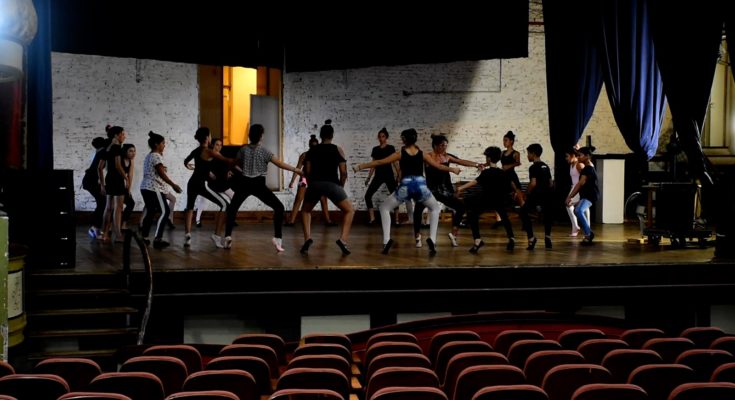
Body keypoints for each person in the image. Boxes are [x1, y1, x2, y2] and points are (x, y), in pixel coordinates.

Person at [354, 128, 460, 256]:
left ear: (404, 139)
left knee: (384, 208)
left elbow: (379, 162)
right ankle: (432, 239)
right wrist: (453, 169)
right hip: (421, 185)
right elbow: (438, 166)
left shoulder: (400, 153)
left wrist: (360, 166)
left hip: (406, 186)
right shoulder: (422, 154)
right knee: (435, 208)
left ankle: (386, 241)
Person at [224, 123, 303, 251]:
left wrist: (230, 170)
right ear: (261, 136)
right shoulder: (264, 151)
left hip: (244, 183)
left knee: (232, 208)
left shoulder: (243, 150)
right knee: (279, 207)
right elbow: (280, 164)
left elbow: (233, 163)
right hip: (258, 184)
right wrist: (296, 170)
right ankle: (278, 239)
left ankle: (227, 236)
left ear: (250, 136)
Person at [412, 134, 481, 248]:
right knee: (418, 209)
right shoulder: (428, 157)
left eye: (445, 145)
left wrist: (476, 164)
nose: (444, 148)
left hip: (444, 190)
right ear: (435, 146)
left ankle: (453, 234)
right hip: (430, 190)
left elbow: (461, 161)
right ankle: (417, 236)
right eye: (442, 145)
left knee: (461, 207)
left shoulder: (447, 157)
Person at [299, 120, 354, 255]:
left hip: (315, 184)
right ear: (332, 135)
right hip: (332, 184)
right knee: (350, 211)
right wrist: (340, 186)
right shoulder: (337, 149)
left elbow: (307, 170)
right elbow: (343, 172)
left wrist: (312, 184)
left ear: (321, 135)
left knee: (305, 211)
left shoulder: (312, 150)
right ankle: (343, 240)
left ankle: (307, 239)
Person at [456, 146, 520, 252]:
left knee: (472, 214)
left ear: (489, 159)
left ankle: (477, 240)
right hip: (500, 200)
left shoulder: (486, 173)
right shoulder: (502, 172)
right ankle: (511, 238)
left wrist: (460, 188)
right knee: (504, 217)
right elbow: (511, 184)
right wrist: (515, 192)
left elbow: (474, 182)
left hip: (487, 199)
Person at [183, 128, 234, 248]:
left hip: (192, 183)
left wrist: (191, 167)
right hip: (201, 184)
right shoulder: (209, 151)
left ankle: (187, 236)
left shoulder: (196, 150)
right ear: (207, 138)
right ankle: (216, 235)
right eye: (210, 135)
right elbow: (226, 159)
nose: (211, 137)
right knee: (225, 205)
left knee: (190, 207)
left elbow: (186, 161)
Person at [139, 131, 182, 249]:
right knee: (165, 212)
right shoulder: (156, 156)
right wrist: (173, 185)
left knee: (151, 212)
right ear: (157, 144)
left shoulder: (149, 155)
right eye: (163, 143)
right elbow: (161, 174)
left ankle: (144, 237)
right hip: (154, 188)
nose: (164, 145)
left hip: (145, 187)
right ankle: (158, 239)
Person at [285, 134, 334, 227]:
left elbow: (324, 169)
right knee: (299, 199)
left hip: (315, 180)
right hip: (305, 179)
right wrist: (292, 181)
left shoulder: (318, 155)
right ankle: (291, 221)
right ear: (310, 146)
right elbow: (298, 168)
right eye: (312, 146)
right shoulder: (305, 155)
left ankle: (328, 221)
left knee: (323, 199)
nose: (314, 148)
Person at [363, 127, 404, 226]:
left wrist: (399, 175)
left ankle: (397, 220)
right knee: (367, 195)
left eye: (383, 136)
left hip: (389, 175)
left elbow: (395, 163)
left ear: (386, 137)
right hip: (378, 176)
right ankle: (372, 219)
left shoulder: (390, 148)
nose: (381, 138)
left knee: (395, 196)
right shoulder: (375, 149)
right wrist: (368, 178)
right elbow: (373, 164)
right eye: (379, 136)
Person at [519, 143, 554, 250]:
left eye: (528, 153)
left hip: (536, 195)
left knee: (523, 212)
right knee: (547, 215)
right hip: (547, 195)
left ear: (533, 154)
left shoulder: (533, 167)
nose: (527, 156)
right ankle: (547, 237)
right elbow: (551, 183)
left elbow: (533, 183)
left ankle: (531, 238)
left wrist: (526, 193)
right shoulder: (546, 166)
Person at [194, 138, 235, 227]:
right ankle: (197, 220)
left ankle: (230, 218)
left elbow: (225, 166)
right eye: (217, 144)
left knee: (234, 197)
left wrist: (228, 171)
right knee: (202, 199)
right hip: (211, 183)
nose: (219, 147)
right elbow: (202, 166)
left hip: (222, 182)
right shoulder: (209, 154)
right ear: (212, 145)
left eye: (220, 145)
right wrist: (209, 172)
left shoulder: (221, 155)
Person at [98, 125, 128, 243]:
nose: (124, 136)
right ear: (117, 135)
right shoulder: (116, 147)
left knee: (108, 207)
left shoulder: (108, 147)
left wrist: (102, 184)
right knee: (118, 208)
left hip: (109, 179)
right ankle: (119, 235)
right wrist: (126, 178)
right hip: (117, 179)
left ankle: (104, 234)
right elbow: (118, 165)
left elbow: (100, 168)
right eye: (123, 134)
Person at [566, 146, 599, 245]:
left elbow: (580, 184)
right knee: (577, 209)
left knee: (578, 210)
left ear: (587, 156)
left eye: (580, 155)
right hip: (586, 195)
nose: (578, 157)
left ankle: (588, 233)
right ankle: (587, 233)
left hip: (590, 195)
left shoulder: (588, 169)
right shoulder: (588, 167)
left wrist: (570, 196)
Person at [82, 136, 109, 239]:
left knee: (102, 202)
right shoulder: (102, 152)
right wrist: (102, 185)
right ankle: (94, 227)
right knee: (102, 202)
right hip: (91, 182)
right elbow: (99, 169)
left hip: (90, 181)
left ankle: (95, 226)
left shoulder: (100, 152)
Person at [494, 130, 522, 228]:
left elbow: (518, 163)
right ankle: (498, 220)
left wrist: (508, 166)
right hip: (503, 177)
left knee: (520, 198)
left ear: (511, 141)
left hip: (512, 176)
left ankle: (524, 220)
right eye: (503, 140)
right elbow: (494, 160)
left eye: (506, 140)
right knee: (497, 197)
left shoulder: (516, 153)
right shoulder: (502, 153)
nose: (504, 142)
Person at [565, 147, 589, 237]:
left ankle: (583, 227)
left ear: (573, 156)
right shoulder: (572, 165)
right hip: (573, 187)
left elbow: (585, 177)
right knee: (569, 205)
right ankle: (576, 226)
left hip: (579, 188)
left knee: (575, 205)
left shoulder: (579, 165)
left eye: (567, 156)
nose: (566, 158)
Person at [120, 143, 136, 230]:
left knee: (131, 203)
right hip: (116, 184)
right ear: (125, 151)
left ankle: (123, 224)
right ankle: (111, 226)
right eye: (130, 151)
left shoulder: (131, 160)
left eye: (134, 151)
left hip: (124, 186)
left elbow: (130, 175)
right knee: (116, 206)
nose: (133, 153)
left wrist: (128, 190)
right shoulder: (120, 159)